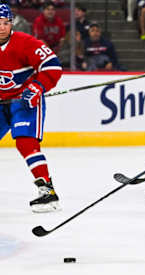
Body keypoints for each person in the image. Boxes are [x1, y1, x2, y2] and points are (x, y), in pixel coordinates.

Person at [0, 3, 62, 212]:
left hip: (24, 101)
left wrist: (37, 87)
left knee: (25, 142)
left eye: (6, 23)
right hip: (1, 103)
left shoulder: (25, 42)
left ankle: (47, 192)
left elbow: (52, 66)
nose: (2, 27)